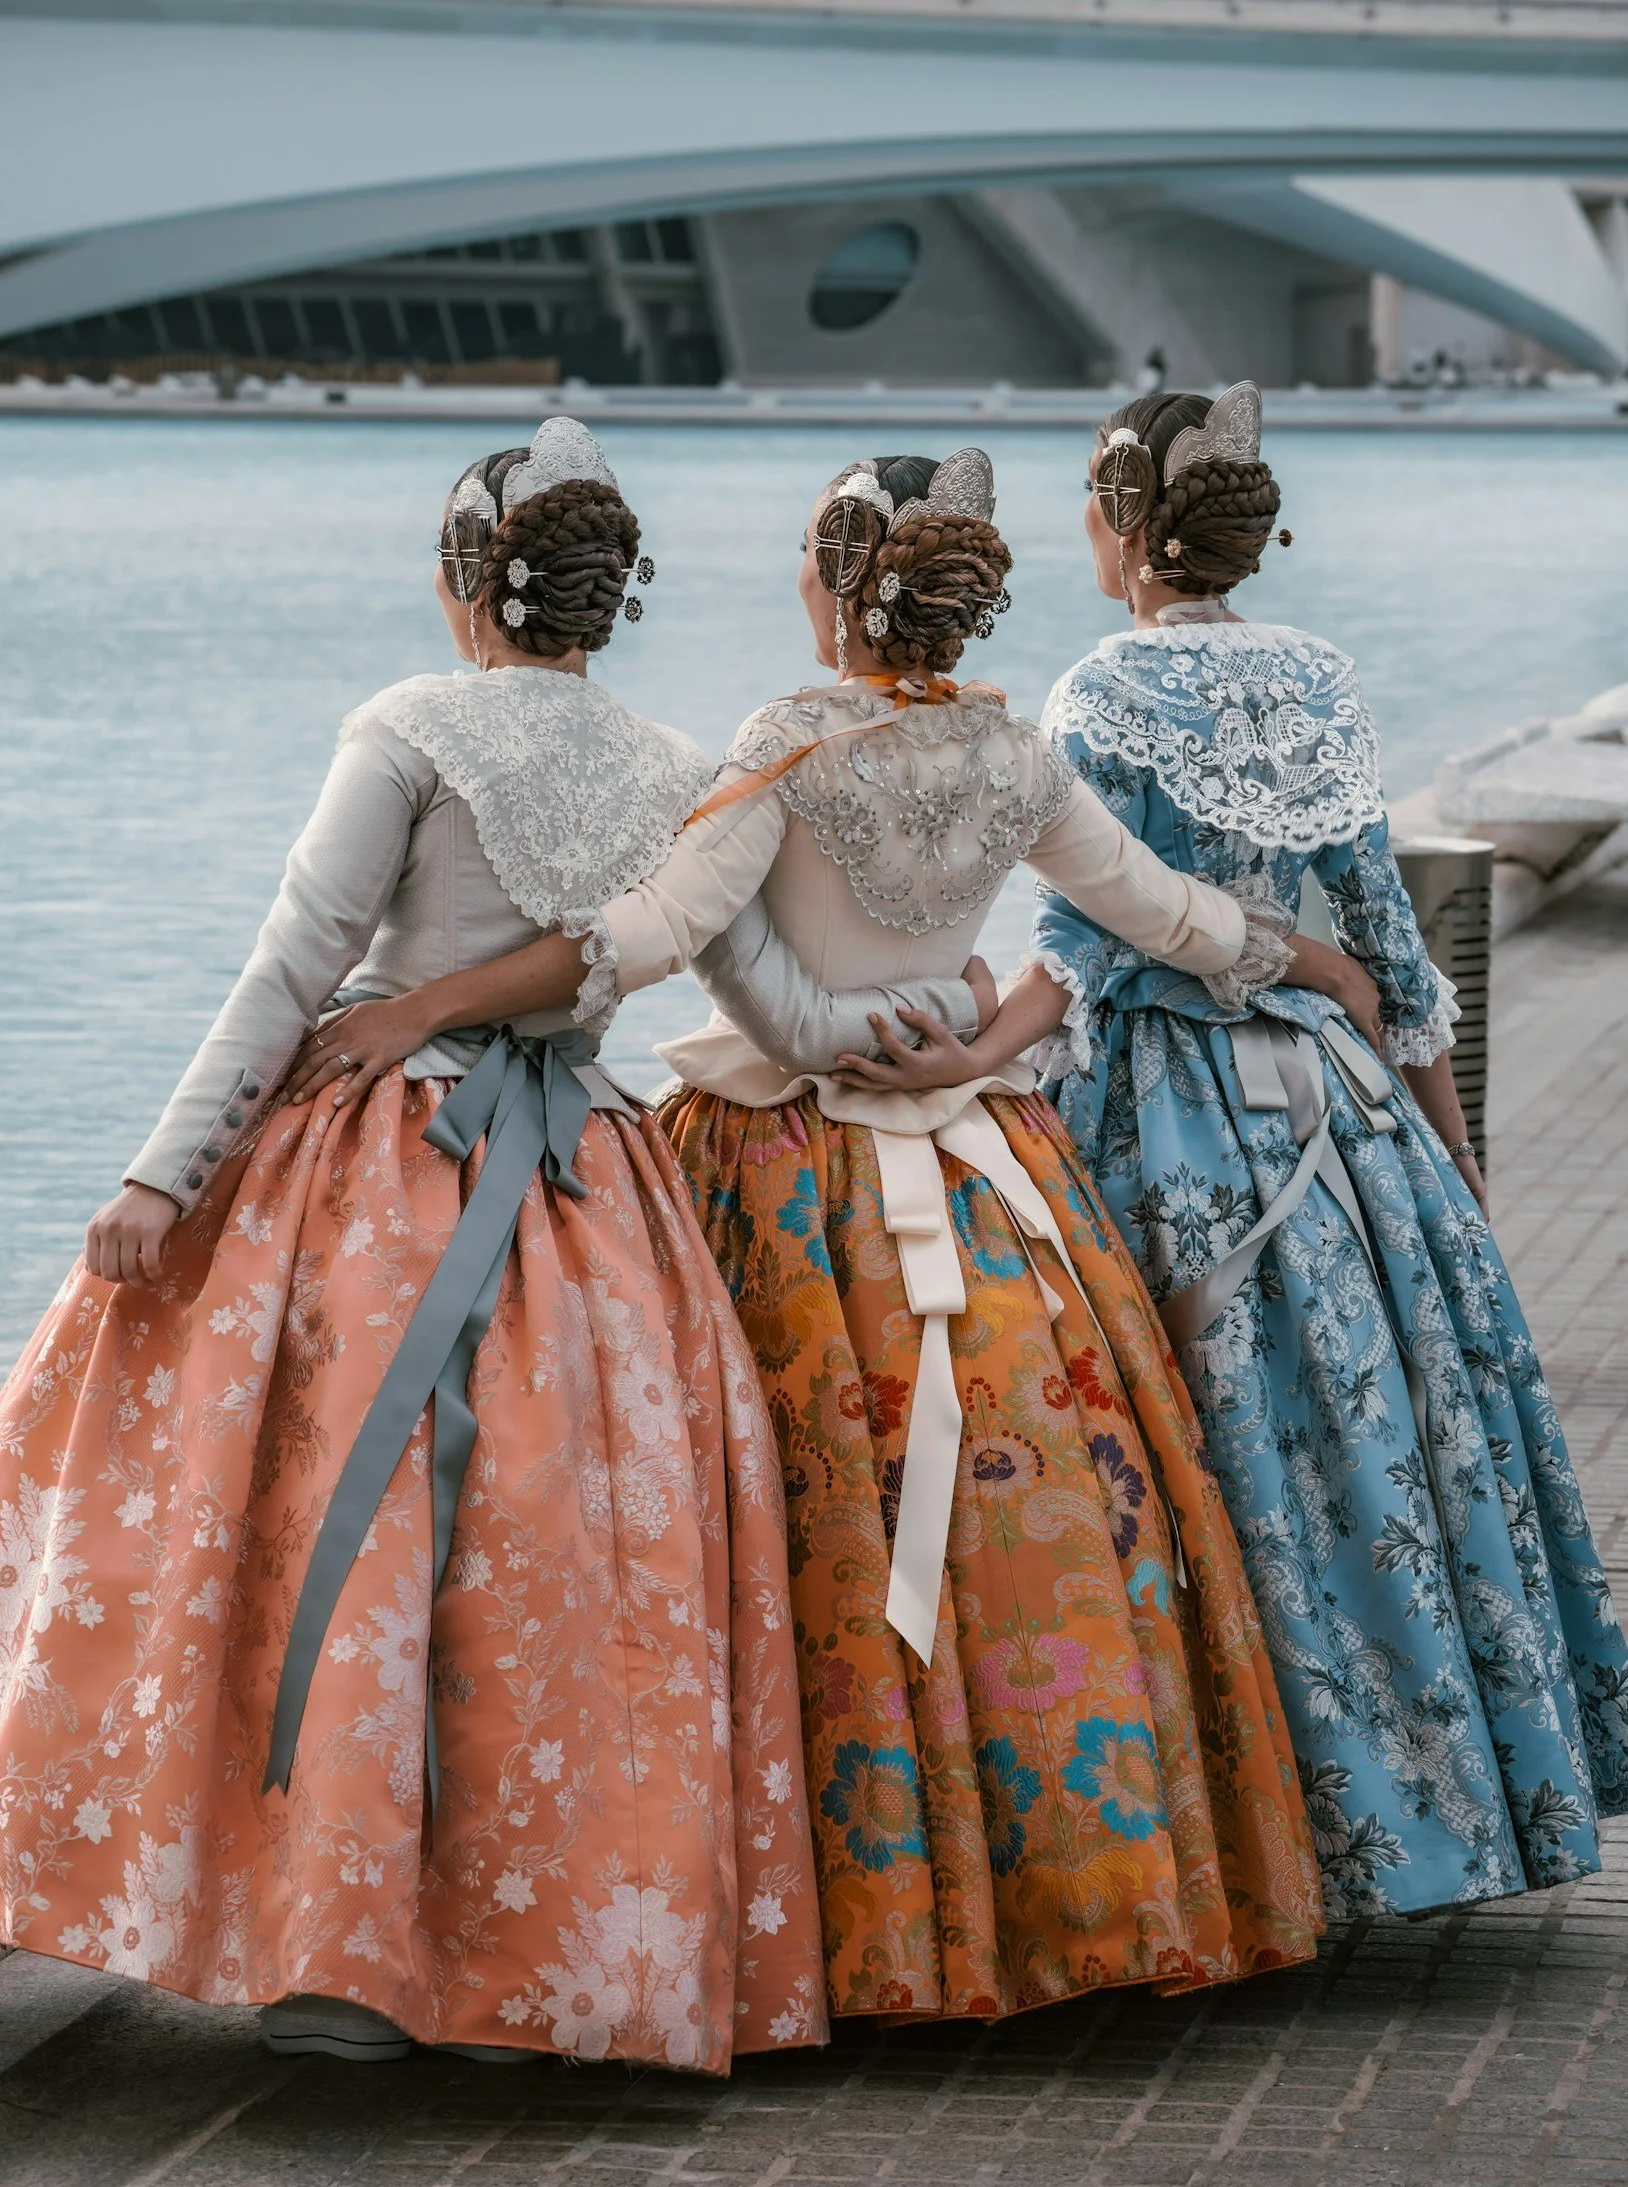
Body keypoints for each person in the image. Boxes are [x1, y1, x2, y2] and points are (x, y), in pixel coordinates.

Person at [289, 447, 1328, 2022]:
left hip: (790, 1178)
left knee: (769, 1526)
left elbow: (642, 940)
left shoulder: (783, 747)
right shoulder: (1016, 760)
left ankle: (813, 1919)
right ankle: (1080, 1899)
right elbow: (1161, 917)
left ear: (839, 581)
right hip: (989, 1170)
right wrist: (1309, 961)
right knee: (1051, 1523)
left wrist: (431, 1001)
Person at [0, 417, 896, 2070]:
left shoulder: (408, 727)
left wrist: (155, 1178)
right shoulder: (678, 764)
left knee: (291, 1521)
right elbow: (778, 1009)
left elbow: (293, 972)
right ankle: (536, 1959)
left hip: (373, 1166)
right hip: (587, 1189)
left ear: (467, 583)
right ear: (603, 600)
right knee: (552, 1566)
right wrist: (961, 1023)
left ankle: (330, 1954)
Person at [843, 388, 1628, 1921]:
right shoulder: (1324, 680)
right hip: (1344, 1111)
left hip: (1162, 1108)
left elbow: (1075, 946)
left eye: (1088, 501)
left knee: (1185, 1448)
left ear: (1129, 523)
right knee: (1383, 1438)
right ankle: (1448, 1805)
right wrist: (1452, 1158)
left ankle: (1243, 1830)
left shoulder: (1097, 693)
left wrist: (962, 1061)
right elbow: (1386, 947)